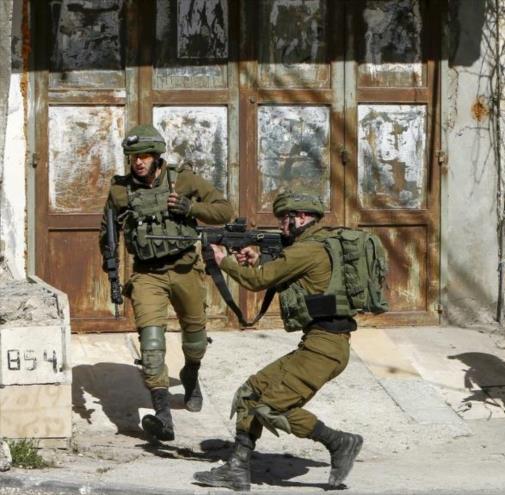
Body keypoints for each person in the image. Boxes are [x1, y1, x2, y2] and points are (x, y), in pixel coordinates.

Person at [193, 192, 363, 491]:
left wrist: (224, 262)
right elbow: (294, 275)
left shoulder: (306, 250)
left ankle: (340, 442)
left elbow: (258, 281)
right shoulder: (316, 246)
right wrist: (257, 258)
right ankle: (236, 469)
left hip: (326, 347)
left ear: (301, 218)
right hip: (318, 343)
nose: (282, 225)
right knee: (249, 394)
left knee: (272, 408)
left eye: (285, 219)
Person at [100, 124, 233, 441]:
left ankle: (191, 373)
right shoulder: (120, 191)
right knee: (152, 345)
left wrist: (191, 208)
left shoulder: (181, 179)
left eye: (145, 155)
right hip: (147, 273)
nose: (139, 162)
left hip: (186, 267)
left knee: (195, 339)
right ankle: (162, 415)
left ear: (157, 156)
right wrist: (113, 278)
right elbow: (107, 236)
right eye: (133, 157)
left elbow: (225, 210)